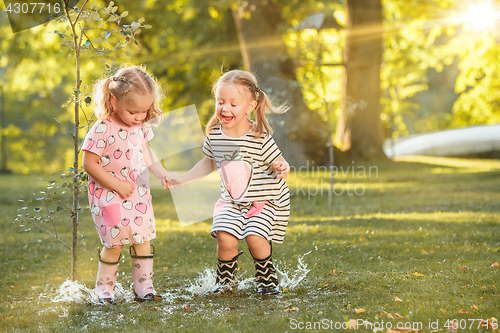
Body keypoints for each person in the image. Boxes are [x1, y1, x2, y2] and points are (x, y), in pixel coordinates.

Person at [167, 69, 290, 295]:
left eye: (234, 104)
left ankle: (266, 277)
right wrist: (183, 179)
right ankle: (226, 281)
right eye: (221, 101)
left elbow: (279, 161)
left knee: (255, 237)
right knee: (224, 236)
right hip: (232, 202)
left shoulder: (259, 135)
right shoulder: (215, 135)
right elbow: (208, 162)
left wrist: (282, 167)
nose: (225, 108)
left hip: (263, 201)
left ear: (250, 106)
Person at [82, 65, 167, 303]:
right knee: (115, 242)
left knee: (142, 240)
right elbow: (89, 163)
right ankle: (104, 290)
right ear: (114, 100)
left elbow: (146, 152)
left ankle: (144, 288)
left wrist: (161, 173)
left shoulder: (140, 126)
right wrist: (117, 185)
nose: (140, 117)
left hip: (137, 194)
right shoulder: (102, 128)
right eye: (134, 112)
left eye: (144, 111)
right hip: (109, 194)